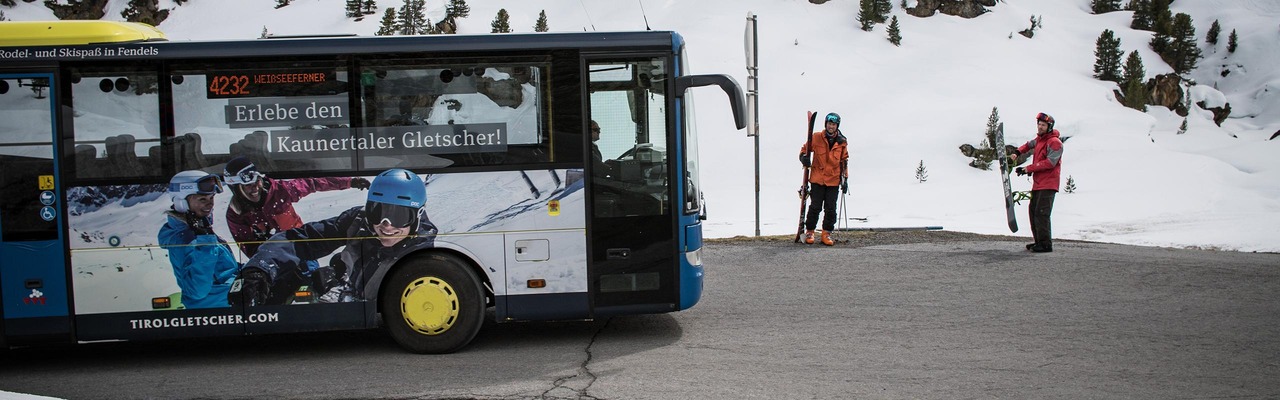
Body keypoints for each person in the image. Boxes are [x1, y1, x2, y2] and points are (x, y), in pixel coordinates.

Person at [229, 169, 438, 306]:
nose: (386, 225)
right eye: (377, 211)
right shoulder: (359, 222)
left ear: (417, 216)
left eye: (399, 216)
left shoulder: (422, 257)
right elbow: (302, 239)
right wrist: (261, 268)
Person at [222, 156, 370, 257]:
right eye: (247, 185)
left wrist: (349, 181)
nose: (255, 188)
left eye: (257, 182)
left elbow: (314, 183)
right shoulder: (236, 214)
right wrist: (264, 258)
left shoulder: (279, 190)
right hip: (273, 257)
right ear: (236, 189)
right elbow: (247, 245)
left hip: (300, 247)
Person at [158, 170, 239, 309]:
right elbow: (196, 291)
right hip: (217, 313)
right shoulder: (184, 240)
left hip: (228, 301)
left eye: (211, 198)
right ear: (181, 202)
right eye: (202, 199)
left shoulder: (197, 232)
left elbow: (223, 270)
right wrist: (206, 242)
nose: (210, 204)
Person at [1010, 112, 1064, 253]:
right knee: (1033, 212)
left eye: (1043, 125)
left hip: (1049, 184)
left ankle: (1046, 244)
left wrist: (1028, 168)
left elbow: (1050, 163)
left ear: (1049, 127)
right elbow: (1028, 145)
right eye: (1039, 124)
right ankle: (1038, 241)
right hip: (1038, 183)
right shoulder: (1039, 140)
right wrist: (1017, 152)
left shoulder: (1054, 143)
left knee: (1042, 213)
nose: (1040, 127)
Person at [798, 112, 849, 246]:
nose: (831, 126)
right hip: (817, 179)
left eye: (833, 124)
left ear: (837, 126)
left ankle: (826, 233)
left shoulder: (842, 142)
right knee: (815, 207)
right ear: (825, 124)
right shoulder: (816, 137)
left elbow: (844, 161)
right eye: (829, 124)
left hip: (833, 180)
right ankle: (810, 231)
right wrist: (804, 158)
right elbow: (804, 150)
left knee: (831, 208)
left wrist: (845, 179)